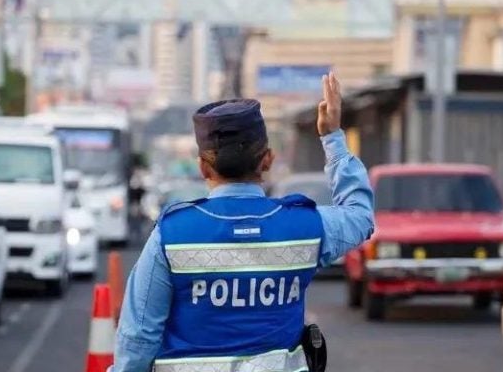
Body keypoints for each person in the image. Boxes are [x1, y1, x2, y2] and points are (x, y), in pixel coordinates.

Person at [114, 72, 375, 372]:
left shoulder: (172, 234)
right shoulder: (306, 227)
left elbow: (138, 339)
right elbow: (360, 216)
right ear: (267, 160)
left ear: (203, 167)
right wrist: (333, 139)